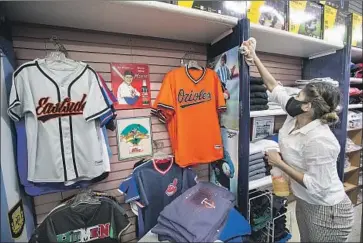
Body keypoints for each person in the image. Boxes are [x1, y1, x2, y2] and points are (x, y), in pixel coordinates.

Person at [242, 38, 354, 242]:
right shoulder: (296, 115)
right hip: (305, 201)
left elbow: (316, 185)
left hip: (328, 211)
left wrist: (280, 163)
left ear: (307, 107)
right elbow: (274, 87)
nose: (292, 98)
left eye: (298, 95)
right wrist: (254, 57)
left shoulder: (320, 139)